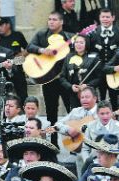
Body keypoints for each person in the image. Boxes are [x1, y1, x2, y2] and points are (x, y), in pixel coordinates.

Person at [27, 12, 74, 143]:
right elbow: (30, 47)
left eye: (54, 19)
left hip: (65, 79)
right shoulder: (42, 35)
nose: (51, 22)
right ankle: (53, 143)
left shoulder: (69, 37)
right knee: (51, 113)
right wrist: (42, 50)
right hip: (48, 79)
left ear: (61, 22)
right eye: (49, 19)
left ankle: (73, 142)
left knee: (71, 111)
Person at [88, 8, 119, 104]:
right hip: (98, 72)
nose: (105, 19)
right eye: (103, 17)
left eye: (107, 17)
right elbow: (90, 51)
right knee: (99, 99)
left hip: (115, 71)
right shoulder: (93, 33)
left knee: (114, 99)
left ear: (113, 18)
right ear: (99, 18)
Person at [60, 35, 103, 110]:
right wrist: (70, 87)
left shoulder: (94, 57)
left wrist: (88, 85)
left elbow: (100, 77)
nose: (78, 45)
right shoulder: (69, 56)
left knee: (90, 115)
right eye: (76, 42)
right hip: (74, 94)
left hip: (89, 93)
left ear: (86, 44)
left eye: (81, 42)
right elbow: (62, 77)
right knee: (76, 115)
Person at [0, 17, 29, 101]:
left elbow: (28, 48)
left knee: (22, 95)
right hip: (2, 71)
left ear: (8, 25)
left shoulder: (17, 35)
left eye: (1, 25)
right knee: (3, 97)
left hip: (17, 69)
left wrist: (21, 55)